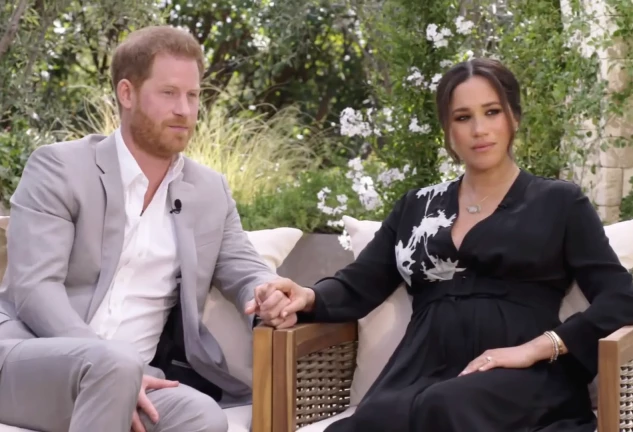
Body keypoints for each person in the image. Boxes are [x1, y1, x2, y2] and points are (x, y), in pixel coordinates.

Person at [246, 58, 633, 431]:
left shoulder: (560, 202)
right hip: (421, 371)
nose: (479, 129)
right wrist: (305, 296)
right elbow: (358, 284)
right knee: (377, 418)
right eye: (463, 117)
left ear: (514, 117)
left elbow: (620, 296)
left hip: (523, 377)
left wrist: (536, 348)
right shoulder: (417, 206)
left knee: (445, 406)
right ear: (448, 130)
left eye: (492, 112)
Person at [0, 25, 294, 432]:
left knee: (204, 419)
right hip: (30, 360)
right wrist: (110, 362)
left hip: (138, 377)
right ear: (127, 93)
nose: (185, 110)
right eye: (169, 93)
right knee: (116, 364)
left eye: (193, 96)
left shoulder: (210, 191)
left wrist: (267, 290)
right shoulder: (60, 168)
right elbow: (33, 289)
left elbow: (244, 267)